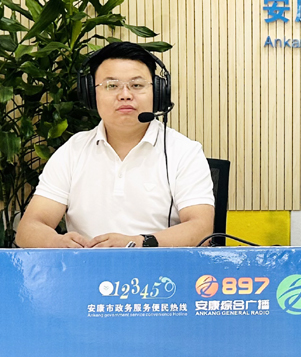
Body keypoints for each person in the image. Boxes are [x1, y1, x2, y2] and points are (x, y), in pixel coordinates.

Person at [16, 42, 214, 248]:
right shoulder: (73, 151)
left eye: (137, 85)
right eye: (111, 86)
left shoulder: (183, 152)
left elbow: (202, 229)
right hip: (86, 265)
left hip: (158, 266)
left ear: (158, 92)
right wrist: (57, 243)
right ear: (91, 94)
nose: (125, 94)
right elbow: (28, 229)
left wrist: (137, 243)